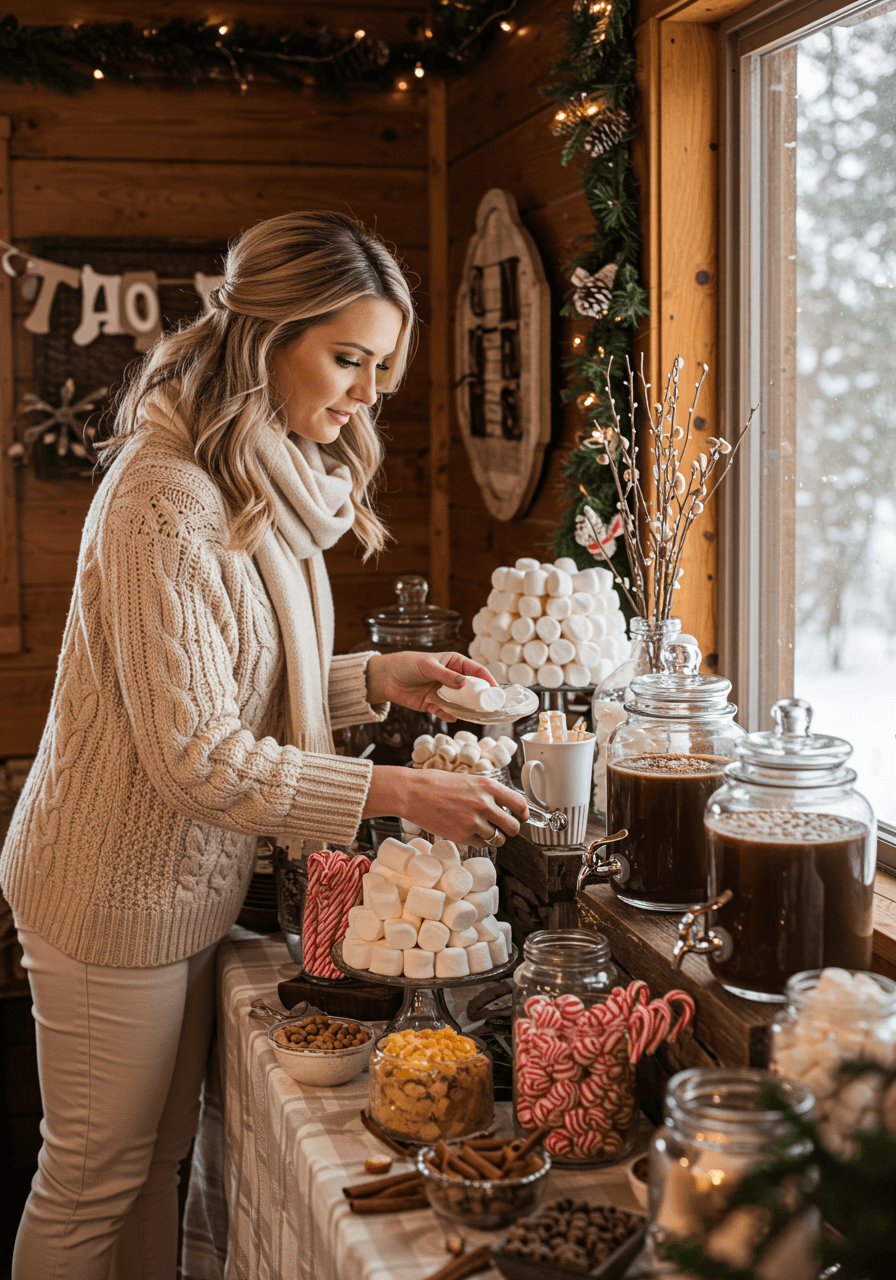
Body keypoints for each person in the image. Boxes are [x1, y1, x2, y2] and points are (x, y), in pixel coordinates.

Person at [0, 211, 527, 1280]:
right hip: (108, 887)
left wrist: (373, 677)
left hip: (179, 881)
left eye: (381, 365)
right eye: (347, 357)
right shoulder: (166, 499)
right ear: (261, 334)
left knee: (155, 1165)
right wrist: (392, 791)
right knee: (92, 1177)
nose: (367, 392)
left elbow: (227, 686)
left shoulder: (244, 472)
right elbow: (196, 752)